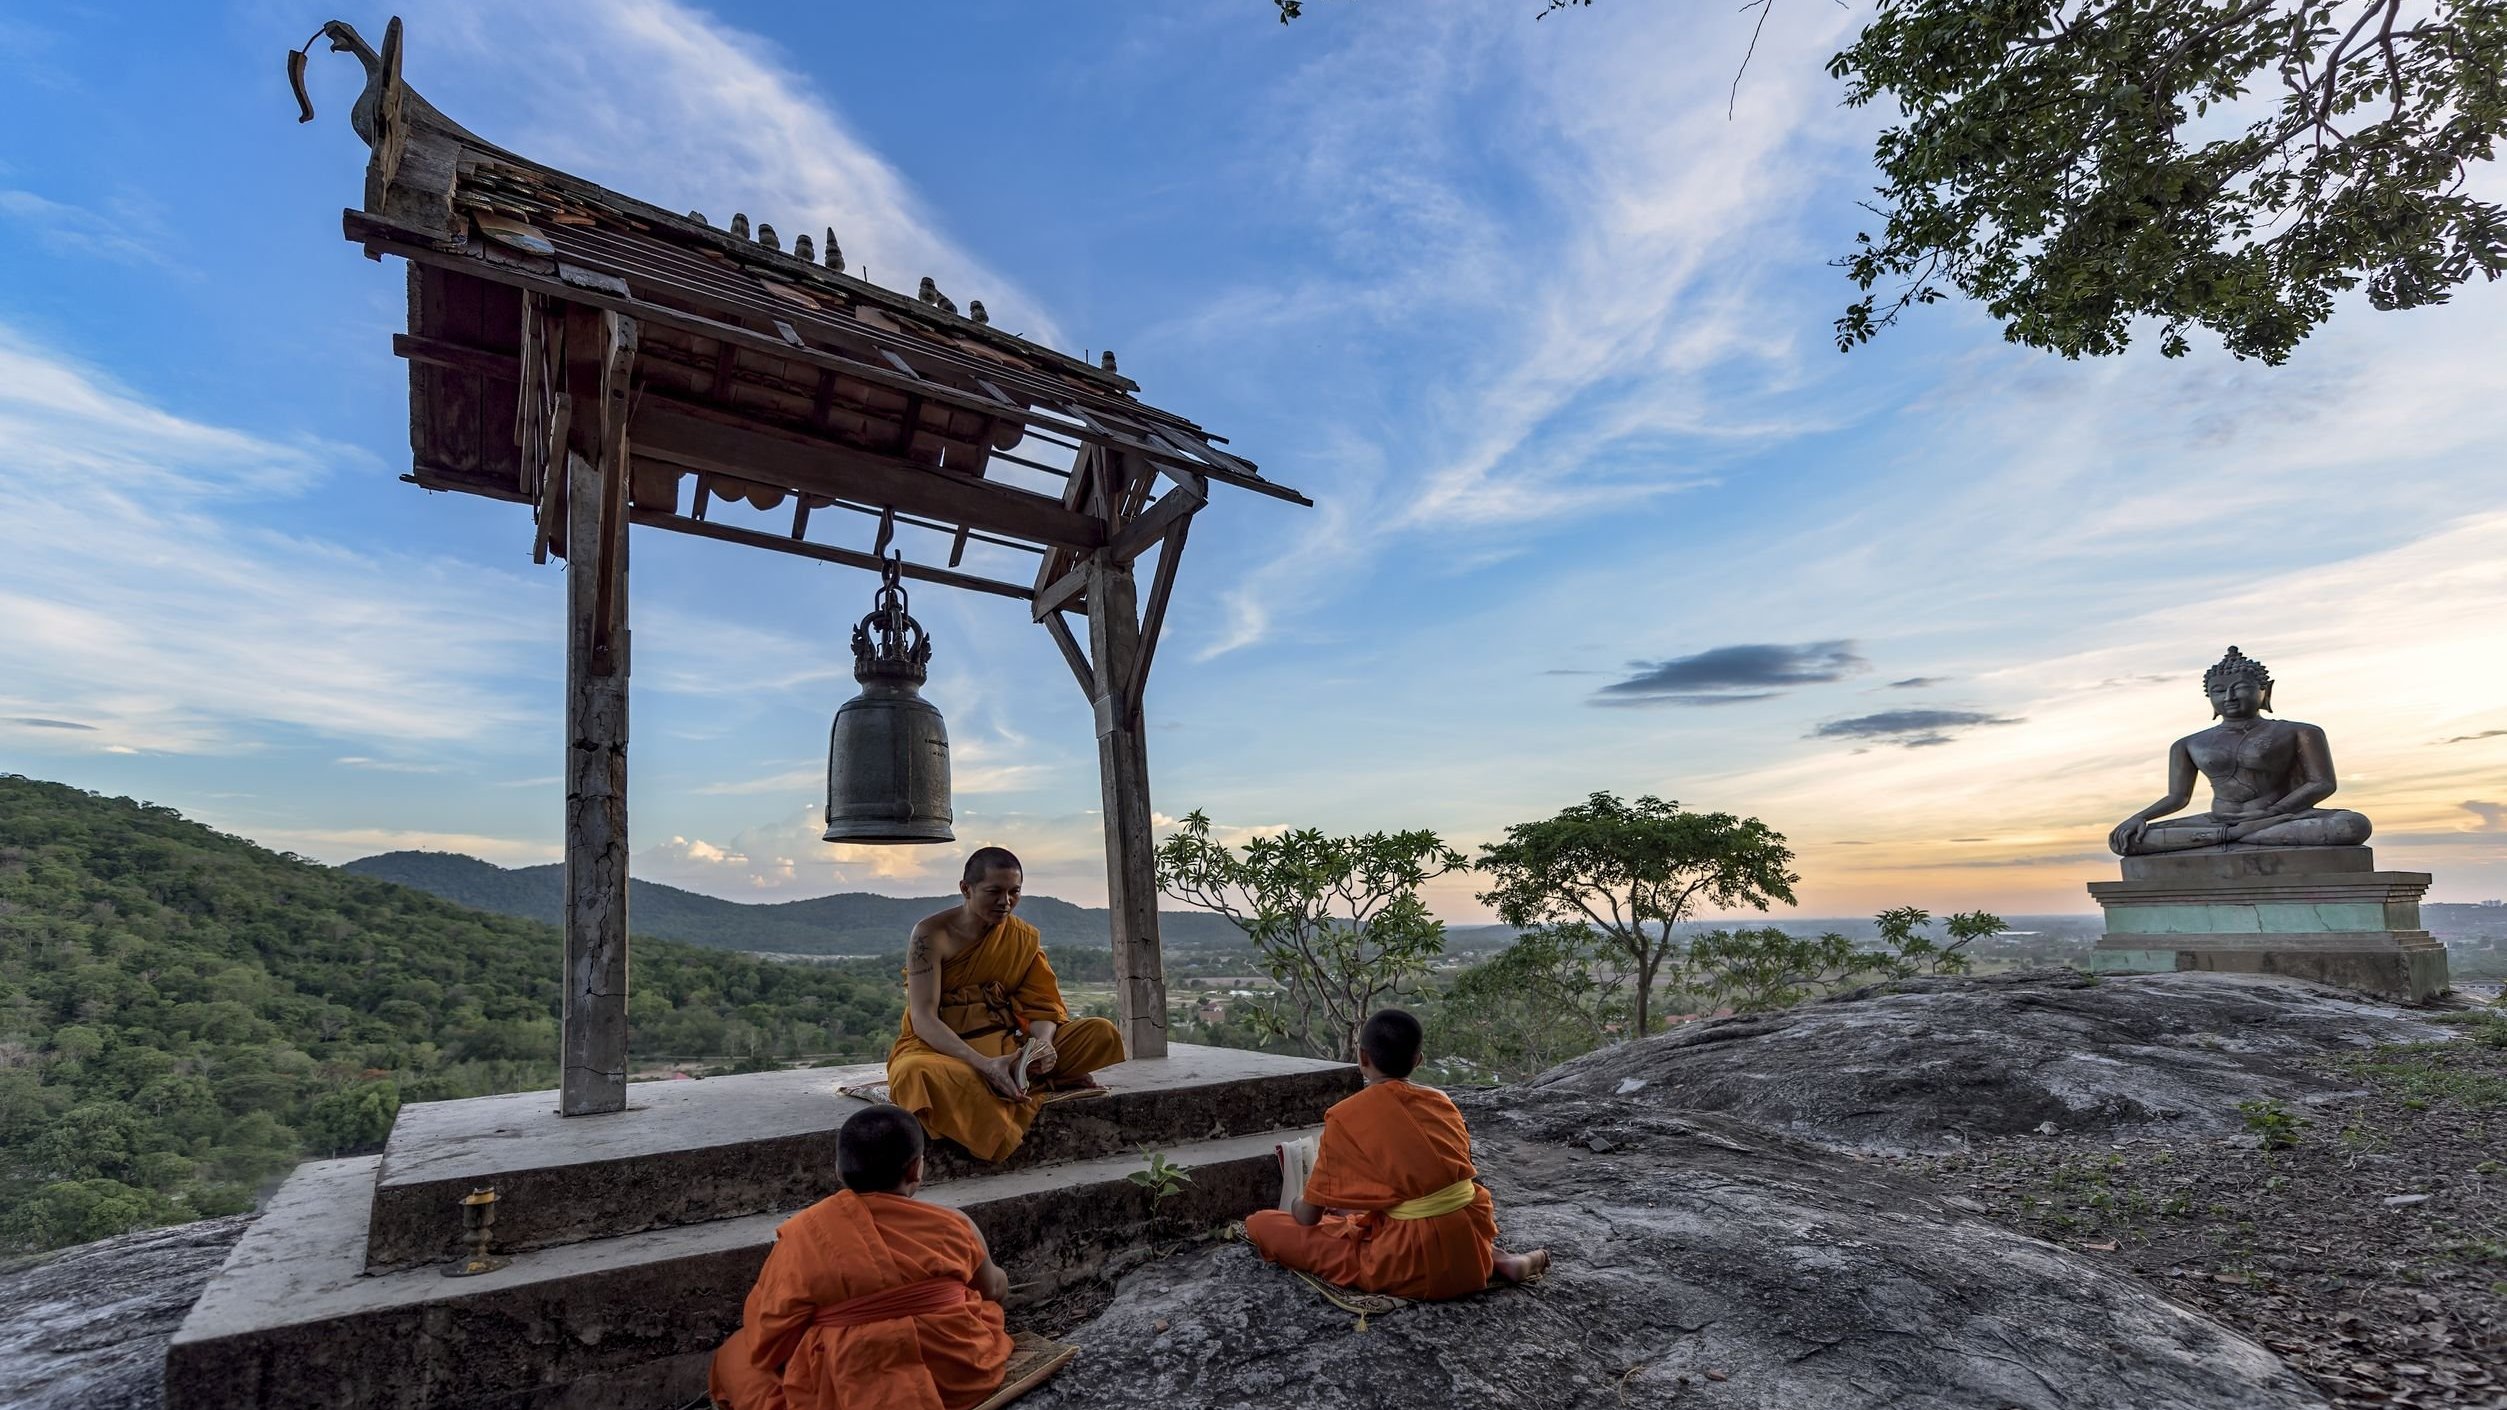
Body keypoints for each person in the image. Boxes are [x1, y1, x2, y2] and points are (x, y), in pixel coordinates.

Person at [708, 1104, 1013, 1410]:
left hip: (846, 1388)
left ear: (838, 1171)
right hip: (956, 1379)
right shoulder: (953, 1223)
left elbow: (770, 1339)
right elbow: (994, 1290)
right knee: (978, 1309)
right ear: (916, 1169)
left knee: (736, 1354)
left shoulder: (804, 1236)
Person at [1244, 1009, 1548, 1299]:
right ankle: (1498, 1259)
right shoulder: (1442, 1101)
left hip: (1409, 1259)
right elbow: (1429, 1181)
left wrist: (1297, 1201)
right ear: (1418, 1060)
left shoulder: (1344, 1116)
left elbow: (1308, 1218)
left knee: (1263, 1224)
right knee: (1356, 1218)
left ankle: (1492, 1260)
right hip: (1468, 1243)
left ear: (1362, 1057)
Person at [886, 847, 1126, 1162]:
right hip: (945, 1050)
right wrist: (982, 1065)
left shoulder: (1021, 938)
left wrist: (1040, 1046)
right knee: (914, 1074)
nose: (1005, 902)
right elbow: (923, 1018)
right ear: (965, 889)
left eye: (1014, 892)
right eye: (994, 892)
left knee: (1100, 1033)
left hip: (1010, 1048)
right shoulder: (930, 935)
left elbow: (1042, 1007)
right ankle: (1012, 1085)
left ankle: (1021, 1075)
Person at [2108, 646, 2374, 855]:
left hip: (2282, 818)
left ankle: (2230, 838)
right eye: (2219, 691)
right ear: (2210, 698)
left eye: (2241, 688)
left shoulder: (2300, 732)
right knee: (2127, 840)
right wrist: (2138, 817)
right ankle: (2238, 836)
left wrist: (2272, 812)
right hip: (2218, 821)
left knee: (2352, 826)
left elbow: (2321, 783)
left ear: (2265, 691)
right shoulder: (2188, 743)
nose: (2229, 697)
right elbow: (2177, 797)